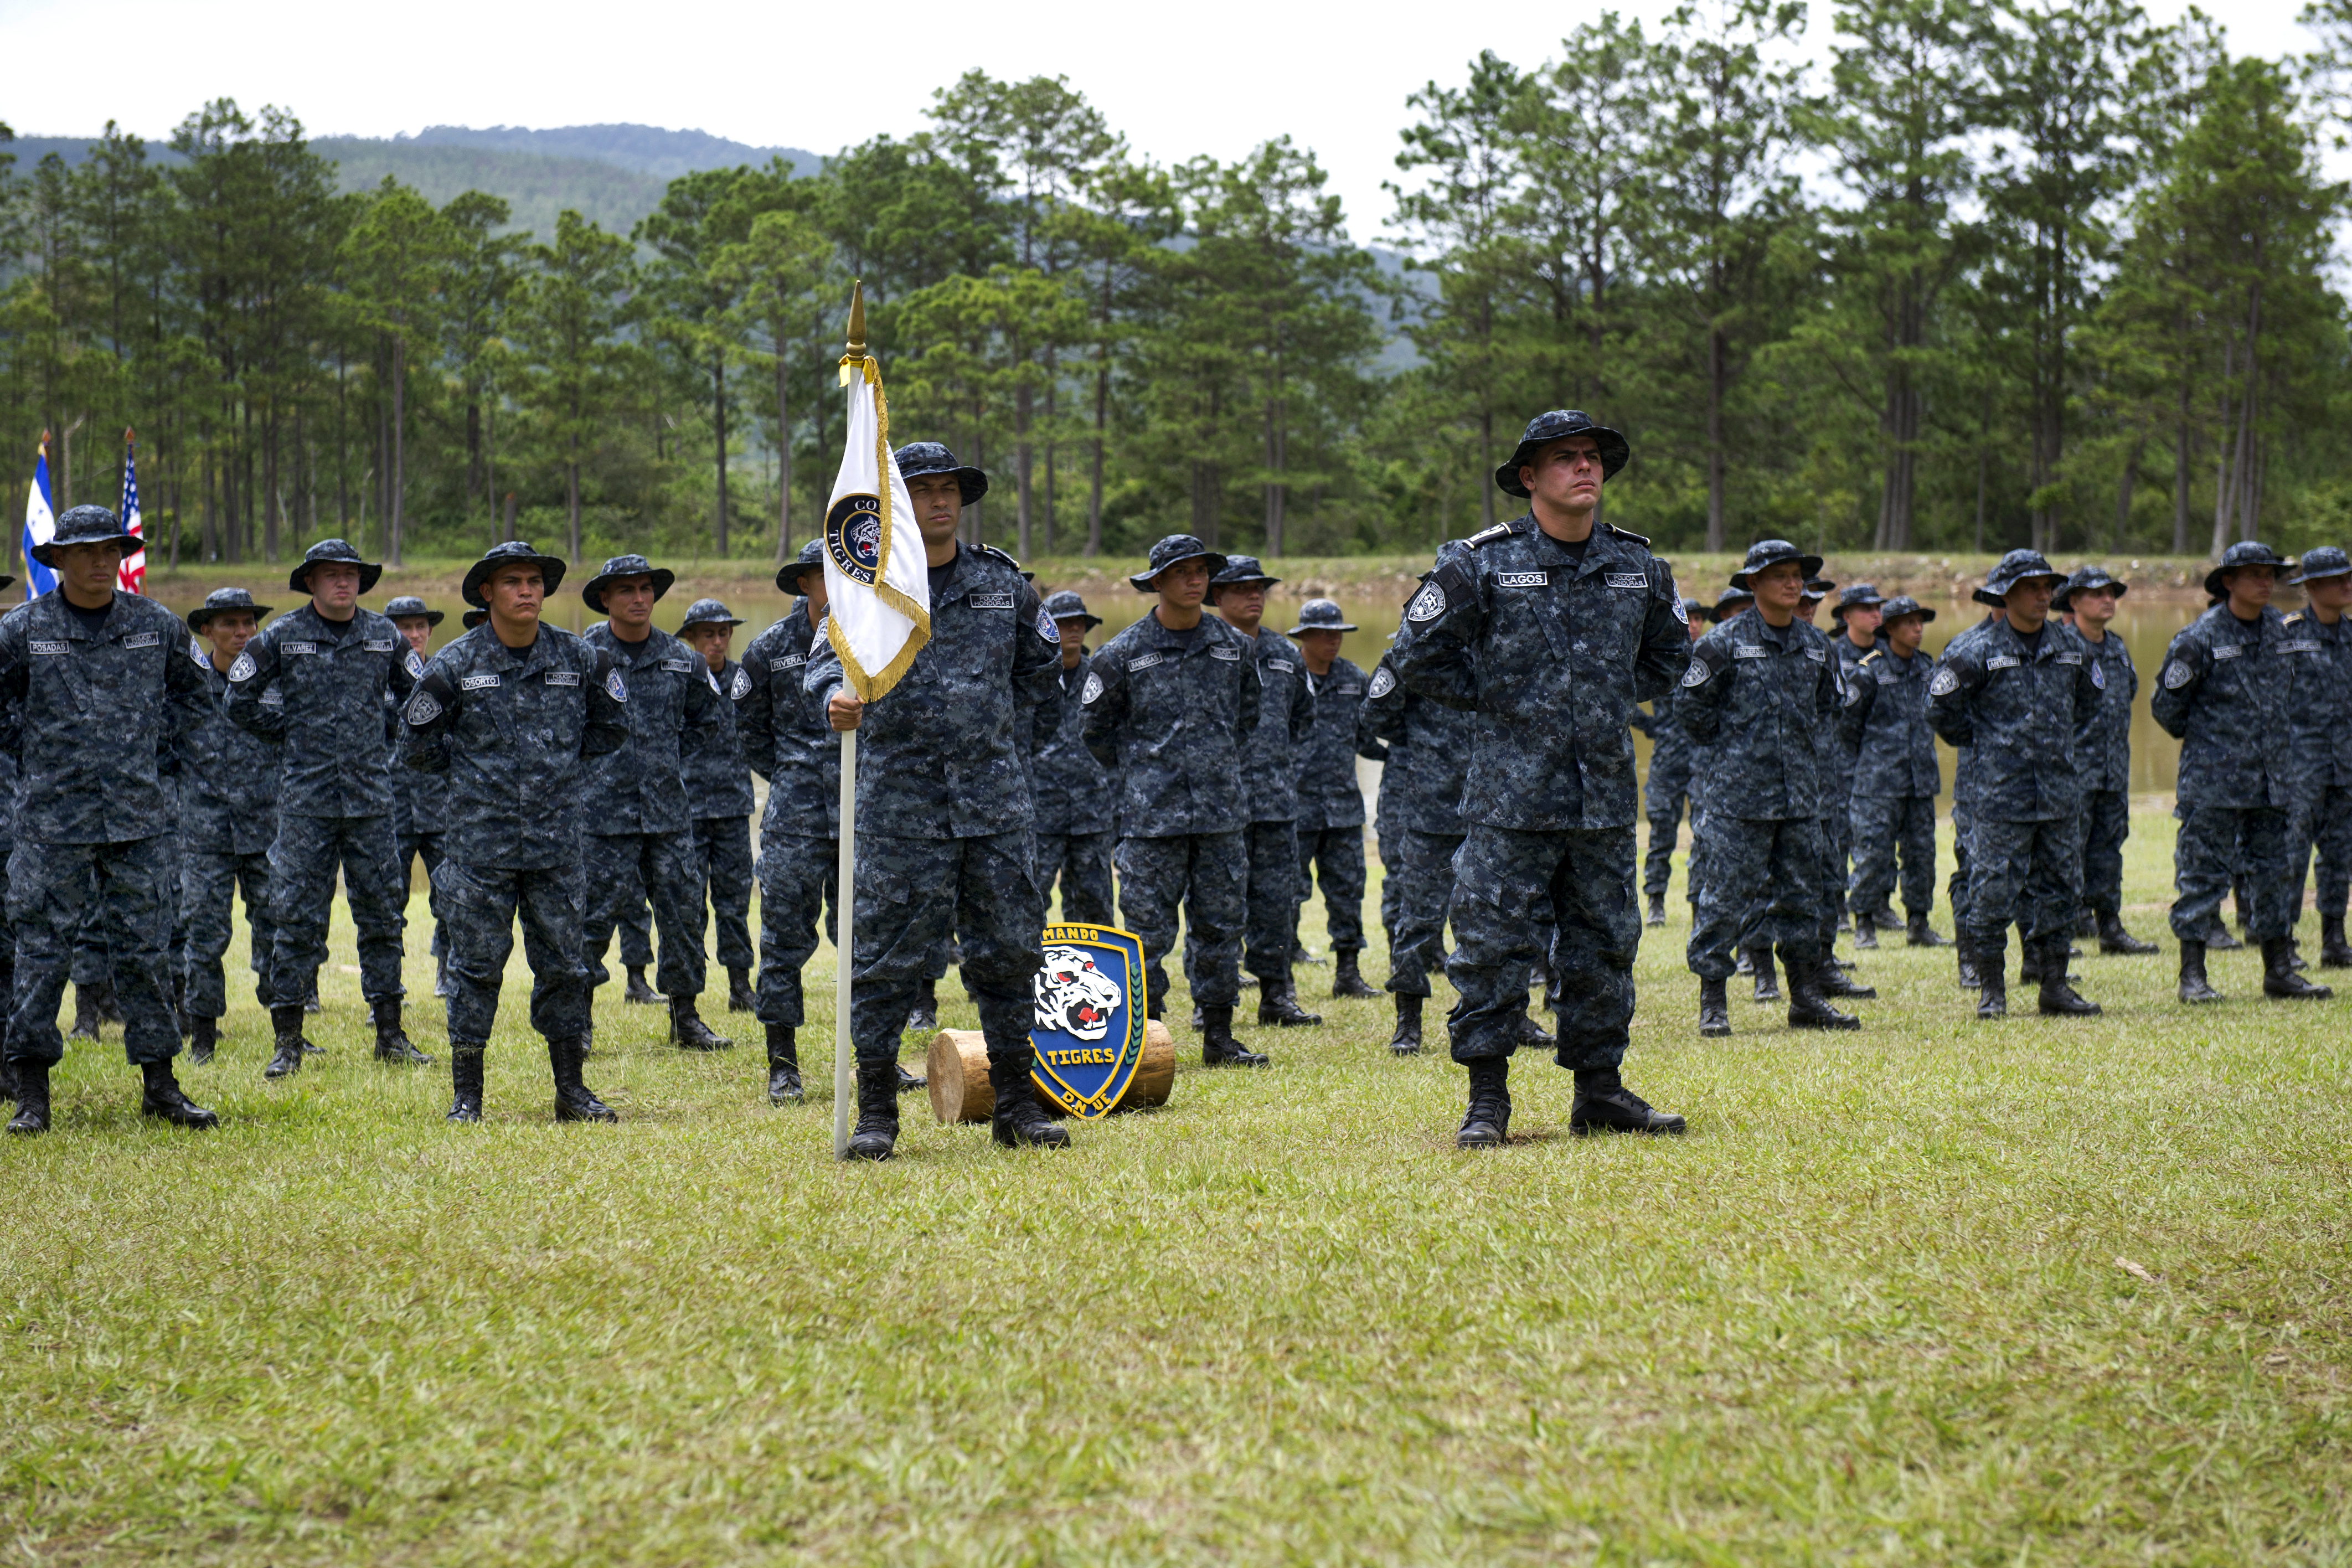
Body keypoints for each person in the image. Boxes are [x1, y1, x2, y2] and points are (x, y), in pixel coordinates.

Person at [1391, 410, 1689, 1147]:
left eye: (1592, 457)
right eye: (1565, 458)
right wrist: (1501, 698)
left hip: (1603, 800)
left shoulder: (1637, 566)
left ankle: (1601, 1093)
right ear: (1530, 477)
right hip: (1509, 797)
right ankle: (1487, 1101)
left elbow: (1672, 656)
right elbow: (1417, 656)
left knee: (1603, 948)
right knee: (1490, 951)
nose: (1584, 468)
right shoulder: (1478, 563)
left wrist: (1606, 696)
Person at [808, 440, 1071, 1157]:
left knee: (1009, 952)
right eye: (922, 490)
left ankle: (1018, 1101)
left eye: (950, 488)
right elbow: (824, 667)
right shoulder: (866, 587)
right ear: (896, 503)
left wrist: (1000, 746)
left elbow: (1041, 677)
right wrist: (834, 699)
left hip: (994, 805)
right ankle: (877, 1113)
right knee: (887, 958)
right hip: (901, 810)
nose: (940, 500)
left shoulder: (1002, 583)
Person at [1, 506, 217, 1134]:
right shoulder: (23, 629)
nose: (102, 561)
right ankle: (32, 1095)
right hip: (52, 822)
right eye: (87, 551)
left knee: (145, 952)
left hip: (138, 819)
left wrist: (160, 760)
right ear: (59, 559)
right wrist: (34, 754)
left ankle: (161, 1086)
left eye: (111, 550)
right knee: (40, 955)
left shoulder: (154, 625)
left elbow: (195, 700)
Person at [403, 541, 630, 1121]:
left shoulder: (578, 658)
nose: (527, 591)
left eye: (534, 581)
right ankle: (467, 1095)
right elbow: (418, 745)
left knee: (565, 966)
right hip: (481, 845)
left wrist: (557, 769)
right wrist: (478, 779)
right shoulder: (454, 663)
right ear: (488, 592)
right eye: (513, 582)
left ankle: (571, 1090)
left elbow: (612, 727)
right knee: (475, 968)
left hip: (557, 844)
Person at [226, 538, 426, 1076]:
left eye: (351, 574)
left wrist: (395, 745)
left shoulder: (384, 636)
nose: (343, 582)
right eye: (331, 574)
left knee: (383, 914)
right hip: (305, 803)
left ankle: (390, 1032)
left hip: (371, 801)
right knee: (293, 918)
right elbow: (238, 699)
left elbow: (422, 700)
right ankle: (287, 1042)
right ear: (311, 581)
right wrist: (287, 733)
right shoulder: (283, 637)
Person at [1084, 534, 1270, 1068]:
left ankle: (1219, 1036)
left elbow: (1247, 719)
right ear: (1158, 581)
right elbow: (1095, 732)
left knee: (1220, 926)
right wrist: (1143, 776)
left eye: (1202, 571)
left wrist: (1212, 770)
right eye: (1183, 571)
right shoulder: (1121, 653)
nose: (1196, 580)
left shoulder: (1235, 647)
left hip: (1220, 816)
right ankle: (1148, 1041)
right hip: (1150, 820)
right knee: (1145, 937)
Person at [1677, 540, 1859, 1036]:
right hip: (1740, 799)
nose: (1792, 582)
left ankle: (1805, 997)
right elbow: (1692, 710)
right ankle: (1713, 999)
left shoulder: (1817, 645)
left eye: (1797, 574)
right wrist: (1736, 752)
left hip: (1801, 797)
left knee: (1804, 898)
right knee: (1726, 899)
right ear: (1752, 583)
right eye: (1779, 574)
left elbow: (1829, 709)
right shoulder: (1722, 643)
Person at [1926, 549, 2103, 1019]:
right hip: (1998, 796)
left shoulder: (2071, 648)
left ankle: (2055, 986)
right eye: (2031, 587)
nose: (2043, 595)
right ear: (2005, 594)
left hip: (2059, 794)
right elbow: (1940, 710)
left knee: (2063, 888)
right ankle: (1992, 990)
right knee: (1991, 891)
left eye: (2047, 587)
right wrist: (1986, 744)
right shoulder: (1973, 649)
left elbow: (2087, 703)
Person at [2151, 540, 2332, 1003]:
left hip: (2273, 781)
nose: (2265, 581)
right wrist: (2214, 745)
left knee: (2275, 874)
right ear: (2228, 581)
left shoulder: (2283, 631)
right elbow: (2167, 709)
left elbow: (2297, 697)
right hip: (2214, 782)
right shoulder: (2199, 638)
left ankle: (2279, 970)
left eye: (2270, 573)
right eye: (2253, 573)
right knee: (2202, 875)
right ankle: (2193, 974)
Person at [575, 554, 732, 1050]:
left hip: (667, 813)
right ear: (606, 599)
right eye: (627, 591)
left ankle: (685, 1017)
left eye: (646, 589)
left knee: (684, 913)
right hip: (602, 815)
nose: (639, 599)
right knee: (591, 919)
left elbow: (709, 719)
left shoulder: (681, 658)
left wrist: (666, 759)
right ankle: (577, 1020)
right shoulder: (582, 657)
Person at [735, 543, 843, 1106]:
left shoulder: (876, 642)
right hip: (795, 818)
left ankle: (875, 1058)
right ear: (804, 583)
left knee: (869, 941)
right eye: (823, 575)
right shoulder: (769, 649)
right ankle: (783, 1066)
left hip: (864, 811)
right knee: (782, 941)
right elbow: (749, 730)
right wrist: (795, 773)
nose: (835, 584)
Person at [1199, 557, 1319, 1025]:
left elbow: (1303, 719)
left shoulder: (1285, 654)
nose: (1255, 596)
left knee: (1276, 902)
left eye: (1260, 588)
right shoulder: (1204, 649)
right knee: (1216, 908)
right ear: (1218, 597)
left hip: (1273, 801)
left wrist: (1279, 768)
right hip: (1217, 804)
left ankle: (1276, 996)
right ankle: (1212, 1003)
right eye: (1242, 588)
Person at [1358, 615, 1474, 1054]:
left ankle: (1508, 1014)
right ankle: (1409, 1020)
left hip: (1493, 803)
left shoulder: (1496, 645)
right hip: (1428, 805)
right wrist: (1424, 744)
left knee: (1499, 922)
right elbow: (1375, 716)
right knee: (1418, 919)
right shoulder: (1407, 654)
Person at [178, 588, 285, 1066]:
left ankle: (287, 1032)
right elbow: (161, 745)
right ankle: (202, 1035)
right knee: (203, 932)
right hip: (204, 833)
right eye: (230, 625)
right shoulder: (186, 684)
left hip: (266, 827)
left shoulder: (273, 683)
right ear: (207, 630)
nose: (242, 633)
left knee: (277, 929)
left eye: (248, 624)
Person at [2054, 566, 2155, 956]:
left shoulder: (2116, 647)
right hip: (2073, 773)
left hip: (2113, 770)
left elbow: (2127, 694)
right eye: (2096, 593)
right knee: (2066, 852)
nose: (2107, 599)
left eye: (2111, 593)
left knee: (2109, 848)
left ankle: (2109, 927)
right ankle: (2063, 929)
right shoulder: (2060, 648)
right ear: (2074, 601)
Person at [1840, 595, 1946, 947]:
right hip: (1877, 782)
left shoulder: (1929, 668)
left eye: (1920, 623)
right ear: (1890, 630)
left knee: (1921, 856)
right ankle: (1865, 923)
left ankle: (1919, 923)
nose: (1917, 630)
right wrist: (1868, 765)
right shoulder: (1869, 670)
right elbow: (1847, 727)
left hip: (1920, 781)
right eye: (1909, 624)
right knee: (1872, 854)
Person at [1288, 599, 1378, 1002]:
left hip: (1342, 807)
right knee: (1287, 890)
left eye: (1338, 633)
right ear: (1304, 636)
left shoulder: (1353, 678)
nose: (1333, 640)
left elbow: (1368, 737)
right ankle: (1281, 974)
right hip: (1295, 806)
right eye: (1324, 633)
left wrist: (1404, 754)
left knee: (1348, 891)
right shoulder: (1287, 675)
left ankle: (1348, 973)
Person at [678, 597, 759, 1015]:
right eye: (707, 634)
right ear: (691, 638)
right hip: (687, 811)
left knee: (734, 903)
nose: (717, 641)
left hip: (731, 807)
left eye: (723, 633)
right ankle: (688, 995)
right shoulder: (678, 680)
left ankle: (741, 986)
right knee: (688, 904)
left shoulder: (744, 681)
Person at [2283, 547, 2352, 969]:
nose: (2347, 585)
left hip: (2344, 766)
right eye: (2337, 578)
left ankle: (2334, 939)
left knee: (2340, 855)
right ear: (2311, 587)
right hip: (2298, 767)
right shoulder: (2286, 635)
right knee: (2291, 858)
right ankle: (2284, 944)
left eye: (2349, 576)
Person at [1033, 590, 1118, 929]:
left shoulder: (1103, 676)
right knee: (1030, 900)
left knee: (1094, 903)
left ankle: (1098, 973)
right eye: (1064, 623)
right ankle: (1033, 977)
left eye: (1079, 623)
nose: (1073, 629)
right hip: (1041, 811)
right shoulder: (1031, 678)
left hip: (1093, 812)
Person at [383, 595, 453, 998]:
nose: (413, 635)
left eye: (420, 628)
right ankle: (388, 984)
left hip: (441, 806)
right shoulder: (373, 679)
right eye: (404, 628)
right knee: (388, 899)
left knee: (451, 896)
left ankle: (446, 971)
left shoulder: (445, 678)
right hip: (391, 808)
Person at [1639, 596, 1709, 925]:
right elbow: (1623, 691)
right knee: (1662, 832)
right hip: (1668, 759)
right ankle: (1655, 901)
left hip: (1701, 756)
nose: (1694, 624)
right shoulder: (1661, 655)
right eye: (1689, 618)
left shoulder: (1713, 655)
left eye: (1699, 619)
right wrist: (1649, 726)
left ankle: (1698, 902)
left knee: (1704, 832)